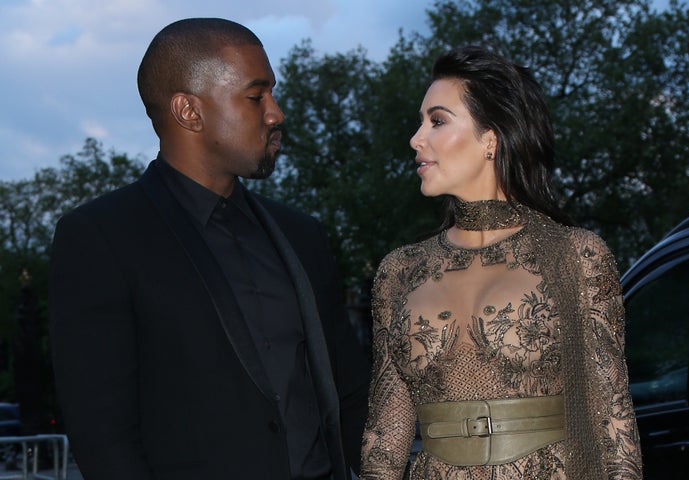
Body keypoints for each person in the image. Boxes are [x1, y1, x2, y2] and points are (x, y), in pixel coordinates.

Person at [49, 18, 369, 480]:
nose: (276, 113)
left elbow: (351, 393)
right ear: (189, 111)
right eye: (256, 96)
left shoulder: (303, 237)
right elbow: (104, 436)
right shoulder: (101, 238)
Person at [360, 46, 642, 479]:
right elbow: (385, 437)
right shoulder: (400, 271)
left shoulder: (576, 256)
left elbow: (614, 422)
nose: (416, 139)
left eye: (436, 121)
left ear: (490, 138)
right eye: (421, 124)